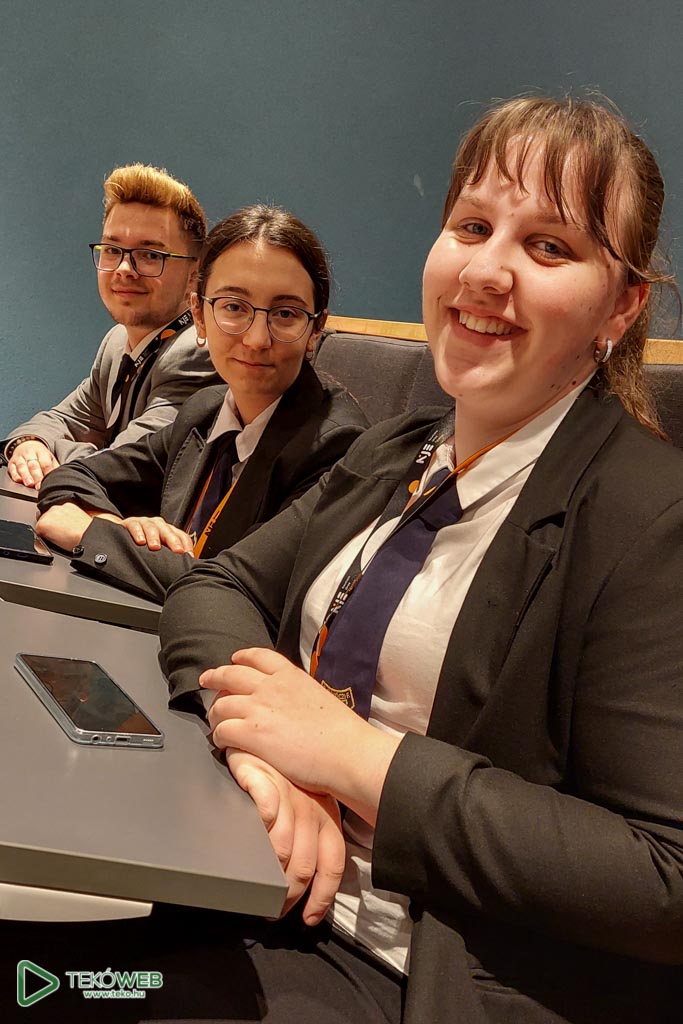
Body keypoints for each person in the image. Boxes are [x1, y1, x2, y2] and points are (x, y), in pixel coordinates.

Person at [157, 97, 683, 1023]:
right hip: (246, 862)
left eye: (548, 246)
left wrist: (359, 760)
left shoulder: (651, 515)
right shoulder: (396, 449)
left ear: (621, 305)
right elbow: (218, 583)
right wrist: (268, 756)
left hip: (402, 966)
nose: (484, 270)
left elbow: (661, 880)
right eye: (471, 227)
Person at [34, 205, 368, 604]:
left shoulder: (339, 448)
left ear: (315, 329)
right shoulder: (205, 411)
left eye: (285, 314)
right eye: (234, 307)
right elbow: (73, 476)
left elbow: (238, 588)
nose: (257, 339)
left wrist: (92, 534)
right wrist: (114, 526)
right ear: (200, 315)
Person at [2, 163, 217, 489]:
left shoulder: (197, 351)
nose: (124, 268)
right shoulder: (117, 342)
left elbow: (123, 468)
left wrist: (47, 450)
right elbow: (61, 419)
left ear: (194, 275)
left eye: (150, 254)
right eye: (113, 250)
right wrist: (30, 442)